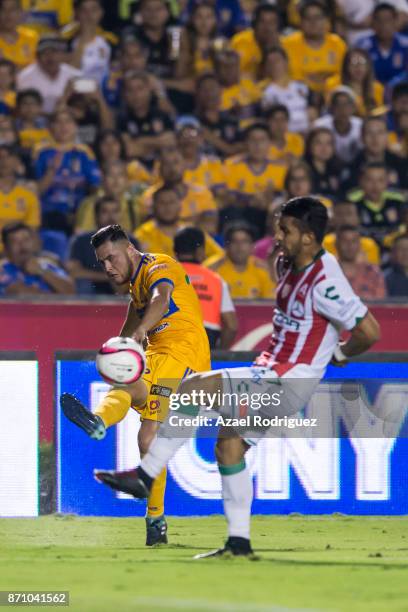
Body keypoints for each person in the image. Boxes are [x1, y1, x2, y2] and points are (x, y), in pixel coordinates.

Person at [94, 196, 380, 558]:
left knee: (193, 389)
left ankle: (145, 475)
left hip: (287, 379)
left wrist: (339, 354)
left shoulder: (326, 281)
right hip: (273, 371)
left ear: (309, 237)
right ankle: (238, 543)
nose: (276, 235)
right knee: (228, 446)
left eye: (286, 229)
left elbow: (369, 332)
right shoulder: (286, 263)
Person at [60, 223, 211, 546]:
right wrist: (112, 359)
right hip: (159, 356)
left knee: (148, 436)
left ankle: (156, 521)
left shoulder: (160, 265)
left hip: (186, 354)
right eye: (102, 263)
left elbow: (161, 298)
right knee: (128, 382)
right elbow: (124, 340)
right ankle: (99, 421)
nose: (108, 268)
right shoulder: (134, 293)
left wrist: (142, 329)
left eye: (112, 258)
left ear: (130, 250)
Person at [35, 108, 101, 235]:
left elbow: (95, 186)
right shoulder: (41, 152)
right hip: (48, 214)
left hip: (79, 215)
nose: (63, 126)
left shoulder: (84, 152)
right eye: (58, 122)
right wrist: (51, 171)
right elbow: (36, 191)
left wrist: (84, 212)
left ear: (76, 127)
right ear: (50, 127)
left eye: (68, 122)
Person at [174, 226, 237, 348]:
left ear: (175, 252)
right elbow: (232, 326)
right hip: (206, 339)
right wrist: (219, 354)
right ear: (200, 251)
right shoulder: (216, 280)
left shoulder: (163, 276)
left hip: (170, 337)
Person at [67, 196, 139, 295]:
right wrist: (108, 277)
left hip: (123, 291)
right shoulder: (81, 241)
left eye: (115, 212)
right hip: (90, 291)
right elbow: (74, 272)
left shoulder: (131, 241)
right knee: (83, 284)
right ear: (96, 216)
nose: (111, 216)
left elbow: (137, 273)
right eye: (105, 212)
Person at [223, 123, 287, 233]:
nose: (258, 145)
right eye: (253, 140)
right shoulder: (231, 165)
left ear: (270, 143)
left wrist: (268, 200)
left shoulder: (281, 168)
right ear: (245, 143)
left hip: (269, 216)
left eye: (262, 140)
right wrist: (250, 201)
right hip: (241, 216)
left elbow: (285, 195)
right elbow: (227, 197)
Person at [135, 185, 223, 260]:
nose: (167, 207)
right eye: (162, 202)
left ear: (180, 205)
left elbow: (219, 256)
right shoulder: (142, 235)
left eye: (171, 202)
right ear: (153, 207)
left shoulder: (191, 232)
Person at [282, 0, 347, 94]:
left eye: (318, 18)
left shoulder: (337, 44)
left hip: (333, 96)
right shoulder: (288, 44)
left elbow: (343, 76)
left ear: (326, 20)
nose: (313, 22)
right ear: (301, 21)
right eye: (308, 18)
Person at [140, 147, 217, 223]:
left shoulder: (202, 192)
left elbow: (211, 224)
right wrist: (195, 220)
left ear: (184, 165)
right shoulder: (150, 196)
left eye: (176, 162)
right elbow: (151, 225)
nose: (172, 168)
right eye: (166, 163)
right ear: (159, 169)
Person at [117, 70, 174, 168]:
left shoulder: (162, 115)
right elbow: (129, 149)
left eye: (140, 89)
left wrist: (138, 140)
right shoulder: (121, 119)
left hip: (163, 169)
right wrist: (158, 144)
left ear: (148, 90)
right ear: (124, 95)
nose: (136, 94)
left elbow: (170, 142)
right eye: (130, 90)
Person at [0, 221, 74, 295]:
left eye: (26, 239)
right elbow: (20, 293)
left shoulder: (47, 266)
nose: (22, 245)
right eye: (15, 241)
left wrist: (42, 272)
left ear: (34, 242)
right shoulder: (2, 271)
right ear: (6, 249)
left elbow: (72, 292)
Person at [206, 221, 275, 299]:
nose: (239, 246)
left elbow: (269, 303)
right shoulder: (212, 268)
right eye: (234, 241)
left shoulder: (263, 270)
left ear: (252, 246)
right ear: (226, 246)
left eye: (244, 241)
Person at [16, 35, 81, 115]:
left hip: (68, 120)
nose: (50, 57)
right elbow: (24, 108)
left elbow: (93, 89)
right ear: (37, 57)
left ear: (61, 54)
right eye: (45, 53)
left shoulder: (73, 74)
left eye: (54, 52)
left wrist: (67, 97)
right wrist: (55, 113)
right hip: (38, 121)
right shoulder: (25, 77)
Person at [75, 160, 144, 234]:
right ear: (103, 179)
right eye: (111, 175)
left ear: (127, 180)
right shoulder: (89, 204)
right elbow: (82, 236)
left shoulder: (134, 205)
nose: (116, 180)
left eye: (120, 175)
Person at [348, 161, 407, 248]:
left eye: (380, 180)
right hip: (363, 250)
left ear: (387, 182)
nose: (375, 185)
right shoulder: (351, 202)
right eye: (369, 180)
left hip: (395, 250)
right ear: (361, 181)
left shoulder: (399, 200)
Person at [342, 116, 408, 192]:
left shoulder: (402, 165)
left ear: (387, 136)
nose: (375, 138)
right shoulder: (351, 168)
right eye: (369, 133)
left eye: (380, 132)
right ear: (362, 137)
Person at [62, 0, 117, 85]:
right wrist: (84, 38)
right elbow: (69, 72)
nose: (89, 15)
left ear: (101, 13)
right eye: (84, 10)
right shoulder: (65, 39)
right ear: (76, 13)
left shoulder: (110, 40)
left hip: (101, 90)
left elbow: (115, 68)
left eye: (93, 10)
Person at [260, 47, 313, 134]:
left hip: (307, 131)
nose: (274, 65)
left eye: (277, 61)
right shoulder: (266, 92)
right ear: (266, 67)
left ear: (286, 62)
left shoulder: (301, 86)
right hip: (286, 133)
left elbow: (312, 110)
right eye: (270, 62)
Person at [356, 3, 408, 85]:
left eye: (387, 20)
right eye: (379, 20)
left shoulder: (406, 45)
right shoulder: (363, 46)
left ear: (395, 21)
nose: (383, 25)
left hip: (401, 93)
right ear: (373, 23)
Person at [324, 48, 384, 117]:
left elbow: (378, 114)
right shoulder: (333, 84)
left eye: (362, 63)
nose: (358, 67)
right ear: (346, 66)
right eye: (353, 63)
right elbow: (330, 110)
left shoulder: (377, 88)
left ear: (368, 66)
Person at [194, 73, 241, 158]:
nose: (209, 93)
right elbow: (230, 149)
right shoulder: (193, 122)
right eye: (204, 89)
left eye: (212, 88)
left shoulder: (232, 120)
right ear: (198, 94)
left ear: (221, 90)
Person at [230, 2, 281, 79]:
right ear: (254, 24)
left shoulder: (282, 45)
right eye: (262, 22)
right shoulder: (239, 41)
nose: (267, 28)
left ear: (278, 26)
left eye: (272, 22)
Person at [335, 224, 386, 299]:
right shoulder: (328, 271)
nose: (349, 245)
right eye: (345, 241)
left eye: (353, 241)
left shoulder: (372, 272)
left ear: (359, 244)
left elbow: (381, 303)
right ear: (336, 244)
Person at [314, 87, 362, 163]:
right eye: (337, 104)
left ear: (353, 108)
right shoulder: (320, 125)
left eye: (346, 104)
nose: (342, 109)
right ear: (331, 108)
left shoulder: (360, 126)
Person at [0, 144, 40, 232]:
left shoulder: (29, 194)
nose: (3, 161)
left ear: (17, 162)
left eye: (9, 156)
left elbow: (32, 229)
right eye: (0, 157)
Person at [214, 49, 261, 122]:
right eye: (225, 66)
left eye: (233, 66)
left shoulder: (249, 85)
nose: (229, 70)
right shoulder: (212, 90)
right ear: (217, 69)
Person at [304, 126, 343, 200]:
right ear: (309, 145)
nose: (324, 148)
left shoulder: (340, 169)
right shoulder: (302, 170)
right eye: (318, 143)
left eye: (329, 143)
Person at [0, 0, 38, 69]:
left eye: (12, 9)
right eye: (3, 10)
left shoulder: (32, 37)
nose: (8, 14)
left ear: (20, 12)